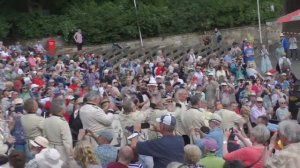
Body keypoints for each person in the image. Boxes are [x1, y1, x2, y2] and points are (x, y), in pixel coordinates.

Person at [43, 98, 73, 167]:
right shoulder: (63, 122)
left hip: (49, 149)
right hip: (61, 151)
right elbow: (67, 142)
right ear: (61, 109)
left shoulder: (46, 120)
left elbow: (44, 136)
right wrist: (71, 156)